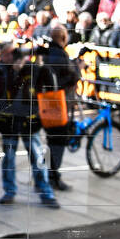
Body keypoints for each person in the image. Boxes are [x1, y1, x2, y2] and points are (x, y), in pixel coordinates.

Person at [0, 35, 58, 207]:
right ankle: (9, 191)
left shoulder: (31, 68)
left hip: (30, 121)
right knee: (9, 158)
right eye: (7, 54)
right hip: (9, 121)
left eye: (12, 53)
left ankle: (45, 192)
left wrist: (38, 61)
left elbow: (48, 80)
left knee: (37, 156)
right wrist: (14, 73)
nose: (10, 56)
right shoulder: (0, 70)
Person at [39, 24, 78, 192]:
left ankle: (45, 176)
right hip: (58, 104)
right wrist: (77, 69)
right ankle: (53, 177)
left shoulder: (46, 53)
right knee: (58, 143)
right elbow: (70, 78)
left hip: (45, 102)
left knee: (50, 142)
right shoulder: (61, 56)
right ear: (63, 38)